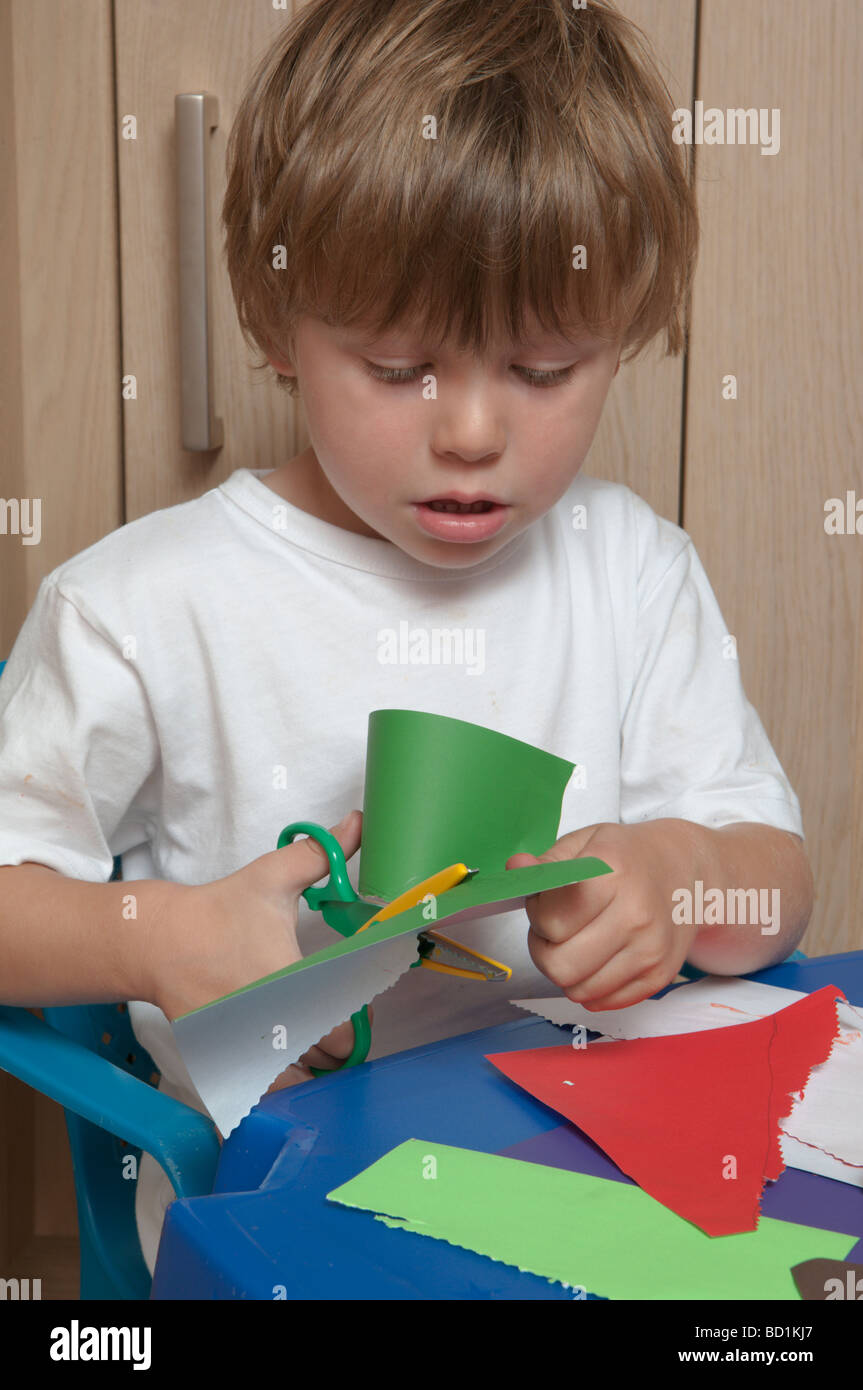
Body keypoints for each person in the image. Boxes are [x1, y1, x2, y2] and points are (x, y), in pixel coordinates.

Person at [0, 0, 812, 1281]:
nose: (474, 431)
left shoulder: (630, 573)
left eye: (543, 371)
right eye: (395, 364)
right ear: (275, 326)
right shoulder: (142, 609)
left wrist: (672, 874)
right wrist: (152, 935)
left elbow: (775, 888)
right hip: (282, 1211)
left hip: (593, 1185)